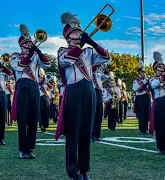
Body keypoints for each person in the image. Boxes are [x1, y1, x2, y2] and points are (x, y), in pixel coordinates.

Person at [55, 12, 112, 179]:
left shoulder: (87, 51)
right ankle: (72, 170)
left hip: (90, 91)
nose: (79, 32)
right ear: (67, 36)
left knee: (87, 132)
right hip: (74, 92)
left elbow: (106, 58)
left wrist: (92, 42)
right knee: (73, 132)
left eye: (80, 30)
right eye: (75, 31)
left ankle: (84, 169)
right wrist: (81, 46)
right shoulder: (62, 51)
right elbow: (68, 60)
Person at [11, 23, 50, 159]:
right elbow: (19, 68)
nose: (28, 45)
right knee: (23, 120)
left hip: (34, 87)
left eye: (30, 43)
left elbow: (47, 64)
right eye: (26, 44)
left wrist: (38, 52)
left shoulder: (35, 56)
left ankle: (30, 149)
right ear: (21, 45)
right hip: (22, 87)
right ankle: (22, 149)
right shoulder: (15, 56)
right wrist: (30, 56)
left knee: (34, 119)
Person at [91, 64, 110, 141]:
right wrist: (95, 66)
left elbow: (108, 76)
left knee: (99, 114)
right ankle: (90, 135)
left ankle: (97, 135)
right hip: (91, 92)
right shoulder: (88, 74)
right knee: (91, 115)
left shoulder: (99, 75)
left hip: (99, 93)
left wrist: (105, 68)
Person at [132, 59, 151, 134]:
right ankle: (141, 129)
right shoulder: (136, 81)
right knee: (141, 113)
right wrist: (146, 84)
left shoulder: (147, 80)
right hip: (140, 97)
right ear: (138, 74)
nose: (143, 74)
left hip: (147, 97)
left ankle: (146, 129)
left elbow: (151, 88)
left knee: (147, 113)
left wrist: (149, 82)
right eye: (141, 73)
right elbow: (137, 89)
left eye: (143, 73)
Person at [38, 68, 52, 132]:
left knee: (46, 112)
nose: (40, 77)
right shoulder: (36, 82)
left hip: (46, 98)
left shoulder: (46, 82)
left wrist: (47, 84)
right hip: (39, 98)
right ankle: (41, 126)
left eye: (41, 76)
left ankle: (45, 126)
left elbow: (51, 87)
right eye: (39, 76)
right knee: (40, 113)